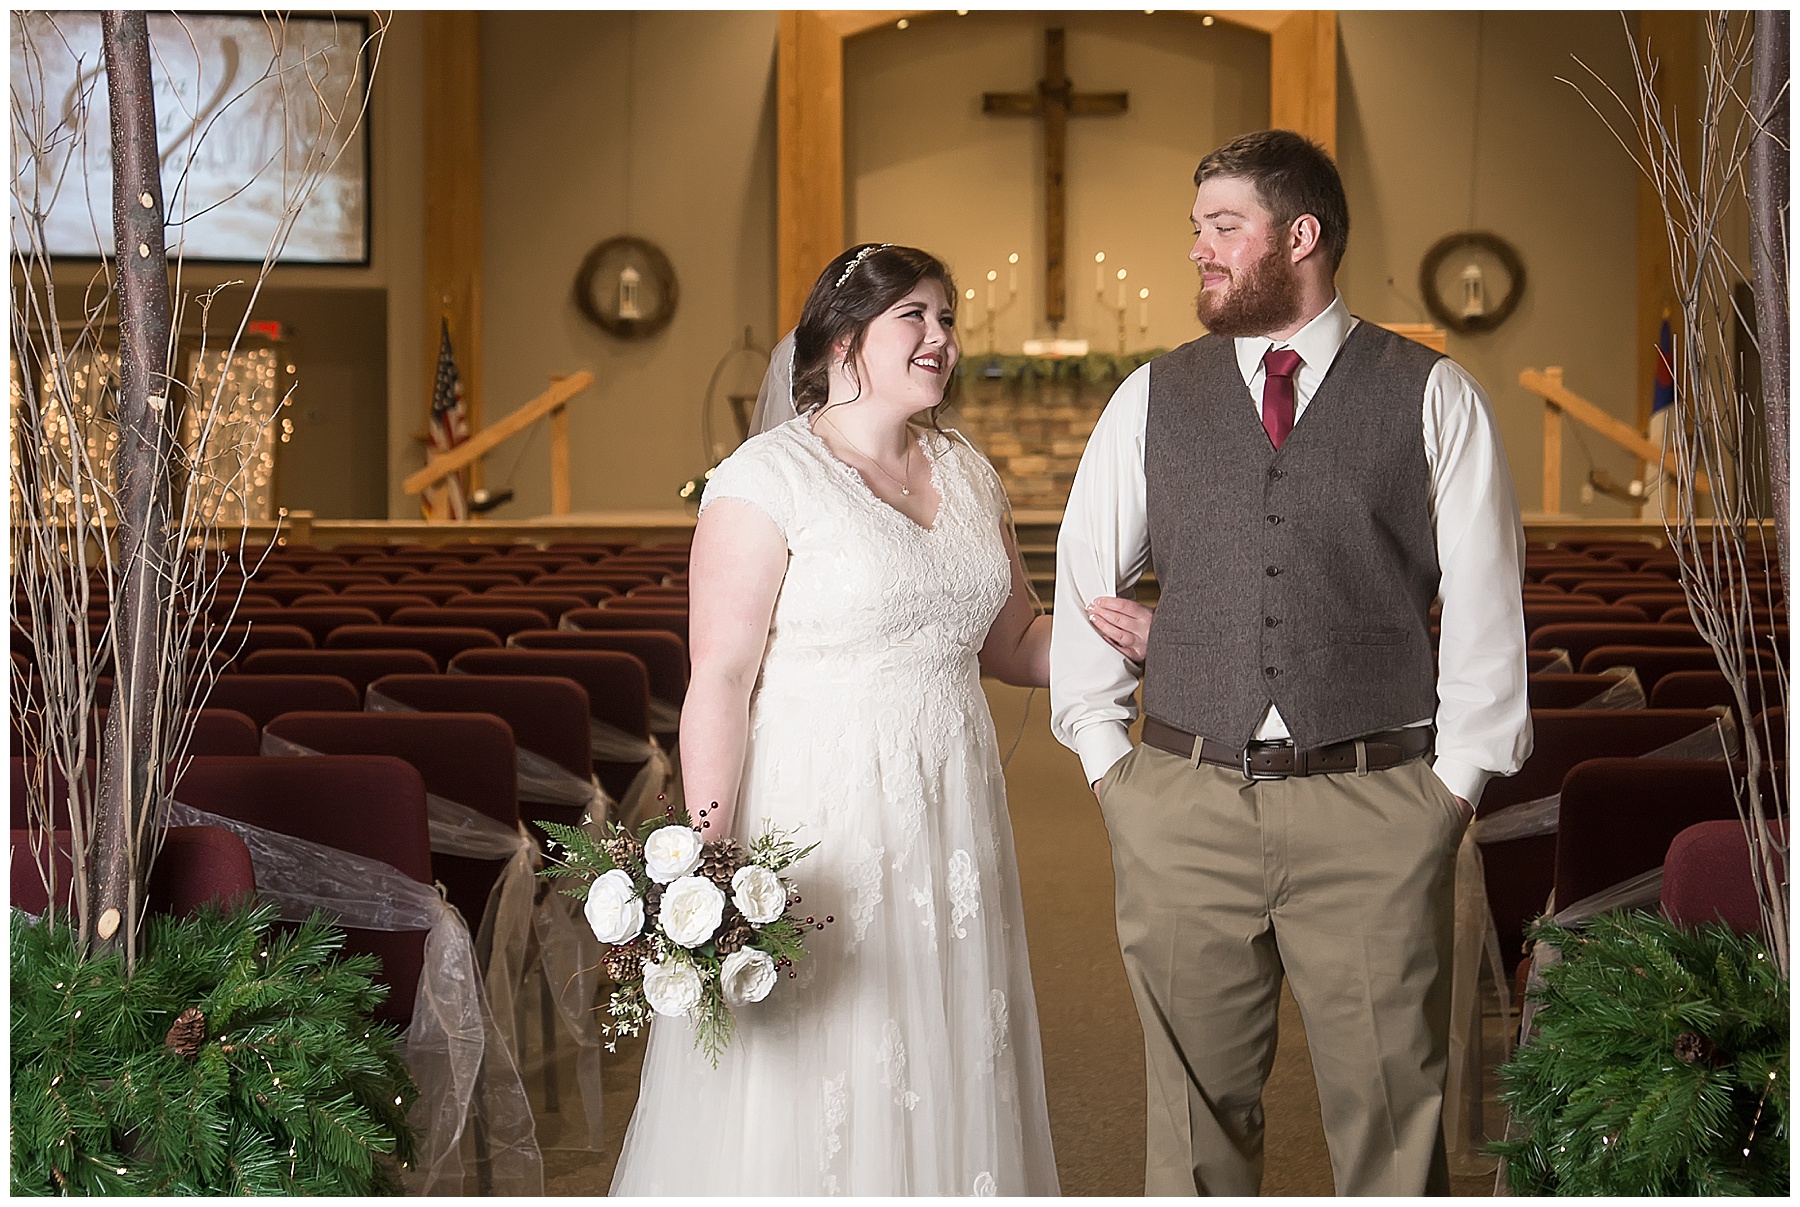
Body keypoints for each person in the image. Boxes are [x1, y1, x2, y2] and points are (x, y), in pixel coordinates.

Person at [611, 242, 1153, 1196]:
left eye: (948, 318)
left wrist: (1131, 636)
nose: (941, 338)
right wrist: (707, 848)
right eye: (917, 316)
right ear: (845, 338)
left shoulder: (970, 473)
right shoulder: (763, 478)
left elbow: (1015, 641)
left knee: (940, 1031)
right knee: (828, 1045)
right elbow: (722, 678)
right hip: (818, 810)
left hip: (951, 806)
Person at [1050, 130, 1532, 1196]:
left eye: (1224, 228)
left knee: (1394, 1123)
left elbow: (1490, 609)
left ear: (1301, 236)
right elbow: (1084, 581)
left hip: (1376, 806)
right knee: (1192, 1132)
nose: (1199, 252)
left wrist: (1448, 794)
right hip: (1181, 804)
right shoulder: (1151, 398)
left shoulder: (1433, 394)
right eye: (1196, 230)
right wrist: (1110, 766)